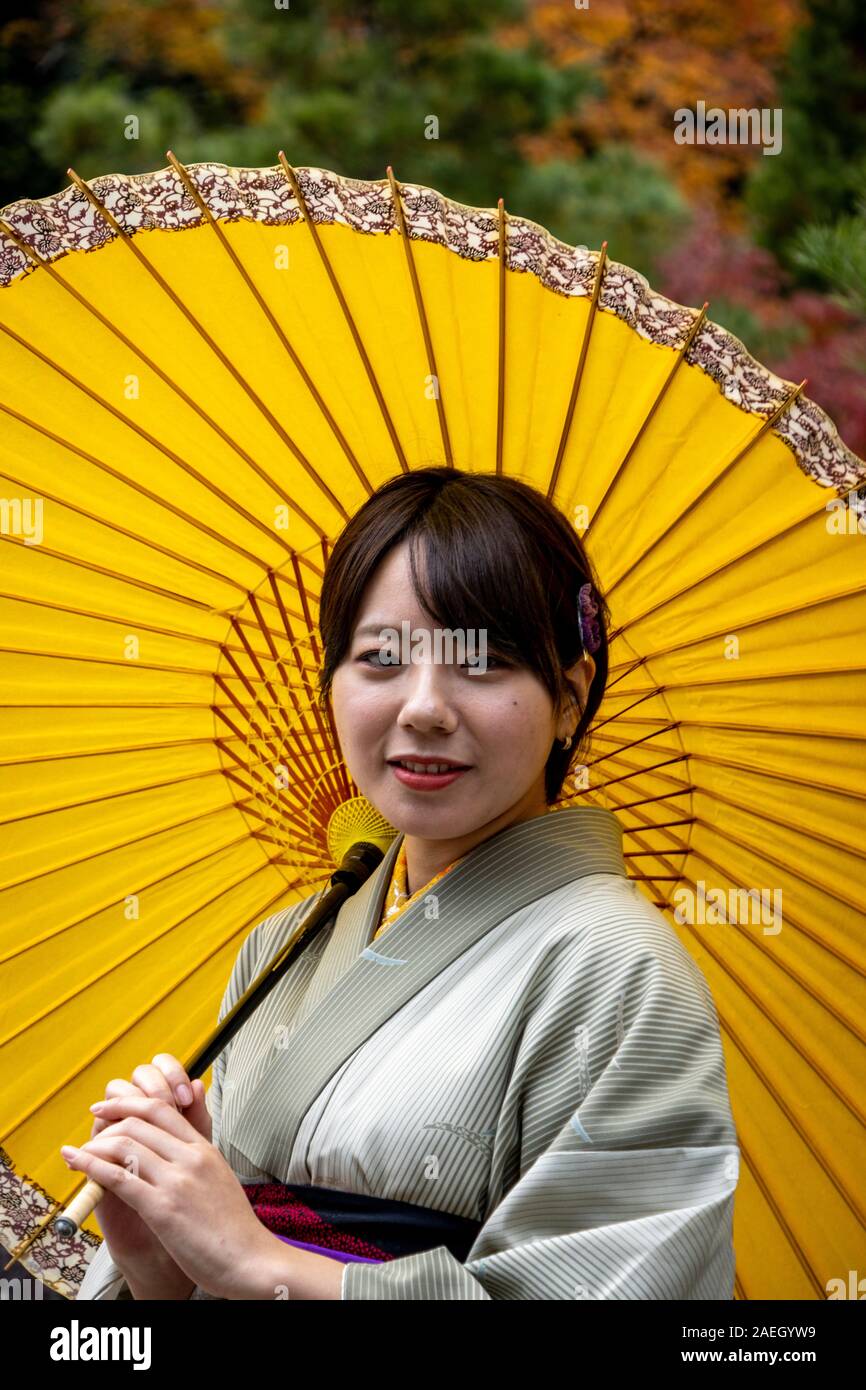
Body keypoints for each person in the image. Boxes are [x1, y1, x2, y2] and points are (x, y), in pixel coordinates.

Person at [73, 465, 739, 1300]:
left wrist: (260, 1263)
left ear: (570, 697)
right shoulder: (284, 946)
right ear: (332, 684)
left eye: (483, 662)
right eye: (380, 658)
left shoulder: (620, 969)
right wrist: (158, 1255)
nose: (423, 707)